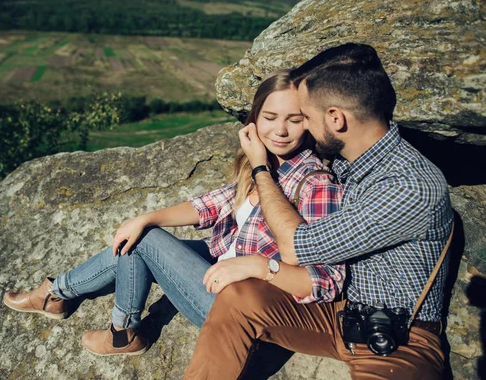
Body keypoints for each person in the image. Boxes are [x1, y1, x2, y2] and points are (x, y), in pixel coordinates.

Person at [3, 70, 343, 357]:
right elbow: (212, 204)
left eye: (294, 119)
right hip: (223, 264)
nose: (280, 130)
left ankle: (116, 330)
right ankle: (58, 294)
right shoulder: (262, 160)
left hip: (245, 311)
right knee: (138, 235)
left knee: (146, 242)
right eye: (269, 118)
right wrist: (146, 217)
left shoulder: (315, 183)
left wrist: (260, 265)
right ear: (254, 120)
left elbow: (325, 280)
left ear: (310, 123)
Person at [183, 43, 454, 380]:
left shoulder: (408, 187)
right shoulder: (348, 163)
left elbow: (296, 246)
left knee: (251, 275)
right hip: (336, 314)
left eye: (306, 118)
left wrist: (260, 169)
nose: (304, 130)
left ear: (336, 118)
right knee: (238, 296)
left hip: (399, 339)